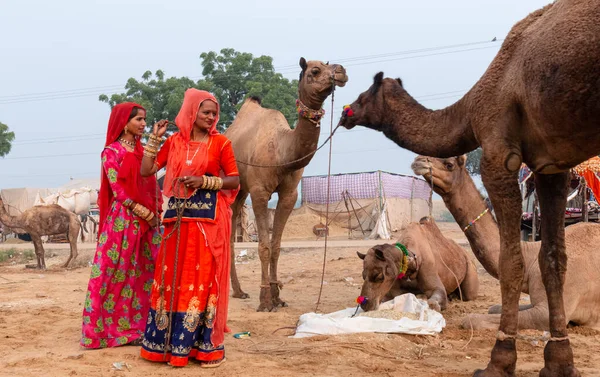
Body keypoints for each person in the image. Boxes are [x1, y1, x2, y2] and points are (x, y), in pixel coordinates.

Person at [139, 89, 239, 368]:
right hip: (176, 223)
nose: (211, 117)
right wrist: (154, 138)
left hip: (208, 223)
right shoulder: (174, 142)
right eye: (205, 112)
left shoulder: (221, 143)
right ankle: (166, 346)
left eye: (213, 113)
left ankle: (204, 349)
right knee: (172, 279)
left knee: (204, 281)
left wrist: (204, 181)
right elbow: (147, 171)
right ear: (192, 112)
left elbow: (233, 180)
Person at [80, 103, 167, 349]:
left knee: (146, 273)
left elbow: (152, 182)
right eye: (138, 119)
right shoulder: (111, 152)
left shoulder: (143, 151)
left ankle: (140, 328)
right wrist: (145, 214)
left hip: (149, 223)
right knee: (114, 274)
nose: (142, 124)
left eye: (144, 120)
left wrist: (155, 214)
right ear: (124, 122)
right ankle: (103, 332)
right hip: (124, 221)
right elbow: (118, 190)